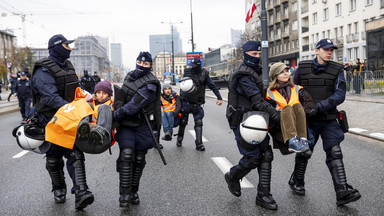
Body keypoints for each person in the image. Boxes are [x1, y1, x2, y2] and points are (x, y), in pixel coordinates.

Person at [292, 38, 361, 205]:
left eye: (332, 50)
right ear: (317, 50)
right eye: (326, 49)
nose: (330, 52)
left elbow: (340, 95)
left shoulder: (337, 69)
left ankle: (342, 192)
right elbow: (293, 90)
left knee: (335, 152)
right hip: (308, 120)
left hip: (328, 118)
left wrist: (320, 107)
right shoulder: (302, 67)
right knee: (304, 152)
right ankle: (296, 182)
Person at [31, 34, 94, 210]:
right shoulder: (43, 71)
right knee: (53, 158)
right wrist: (70, 109)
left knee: (75, 154)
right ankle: (59, 188)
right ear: (57, 47)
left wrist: (86, 97)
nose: (70, 48)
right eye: (67, 45)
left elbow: (74, 88)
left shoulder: (67, 65)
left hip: (69, 118)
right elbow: (50, 97)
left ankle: (82, 191)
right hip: (50, 120)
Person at [224, 41, 279, 210]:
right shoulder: (243, 75)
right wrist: (275, 115)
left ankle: (263, 195)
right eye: (253, 54)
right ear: (245, 54)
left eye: (258, 54)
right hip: (243, 120)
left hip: (257, 118)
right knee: (253, 157)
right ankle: (233, 176)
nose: (256, 57)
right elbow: (256, 100)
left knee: (266, 154)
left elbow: (263, 98)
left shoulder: (257, 72)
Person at [113, 51, 161, 208]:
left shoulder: (151, 83)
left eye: (146, 64)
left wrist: (117, 113)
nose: (142, 66)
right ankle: (124, 194)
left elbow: (135, 104)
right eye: (139, 63)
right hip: (127, 124)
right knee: (126, 155)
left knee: (139, 159)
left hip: (143, 125)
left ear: (150, 66)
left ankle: (134, 191)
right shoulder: (129, 76)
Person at [266, 62, 314, 154]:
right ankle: (293, 141)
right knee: (287, 108)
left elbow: (309, 102)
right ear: (275, 76)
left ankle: (303, 140)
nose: (285, 74)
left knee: (297, 105)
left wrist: (309, 110)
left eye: (287, 71)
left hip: (298, 124)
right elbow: (268, 110)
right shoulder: (269, 93)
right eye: (281, 72)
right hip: (281, 127)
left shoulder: (297, 88)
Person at [176, 58, 223, 151]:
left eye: (194, 66)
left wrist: (219, 97)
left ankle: (199, 144)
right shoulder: (187, 71)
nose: (192, 67)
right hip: (186, 101)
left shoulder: (204, 73)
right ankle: (179, 139)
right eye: (191, 65)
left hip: (197, 102)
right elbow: (183, 85)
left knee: (199, 122)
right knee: (183, 122)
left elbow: (212, 85)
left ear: (198, 65)